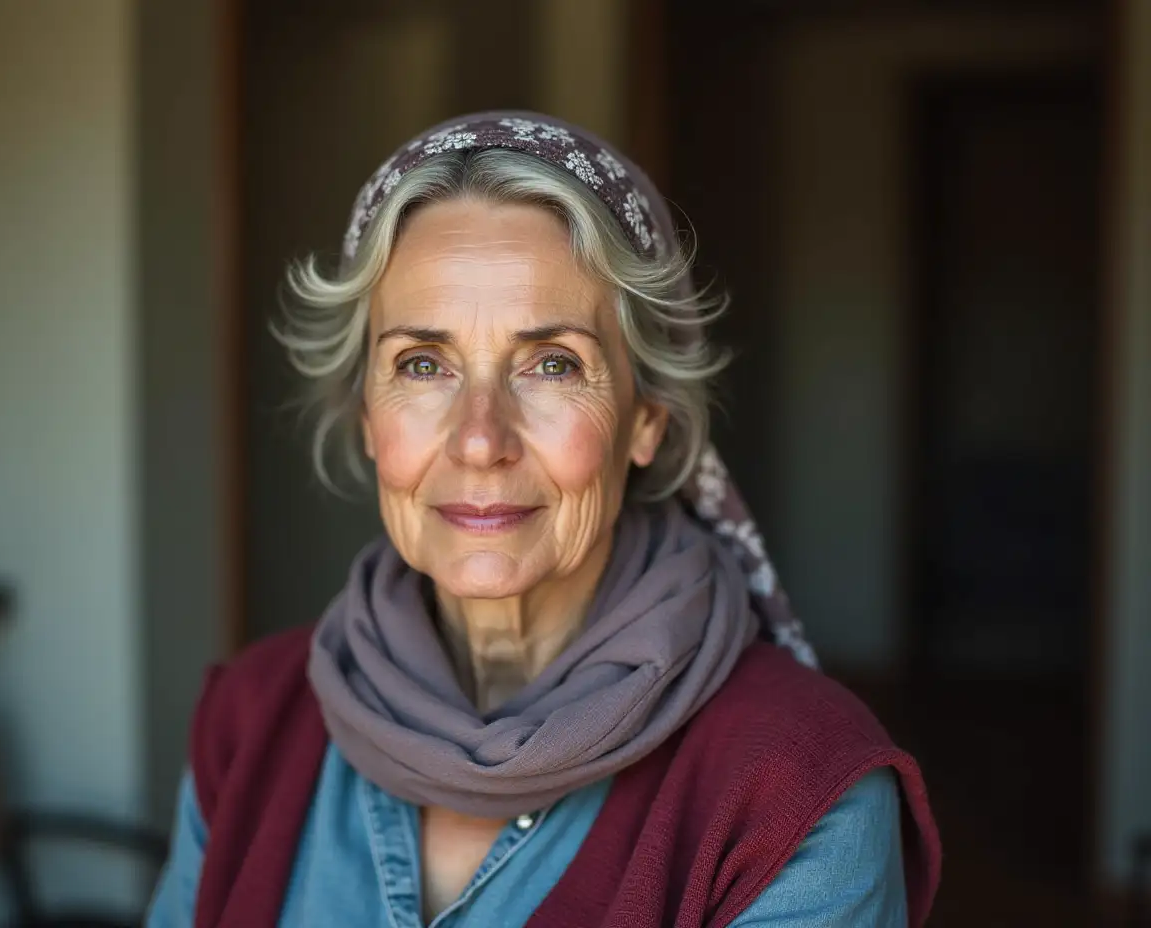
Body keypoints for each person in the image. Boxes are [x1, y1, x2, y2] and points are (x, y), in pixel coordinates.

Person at [147, 112, 940, 928]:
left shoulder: (796, 788)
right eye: (423, 364)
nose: (480, 438)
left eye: (553, 364)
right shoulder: (250, 721)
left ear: (647, 418)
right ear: (365, 417)